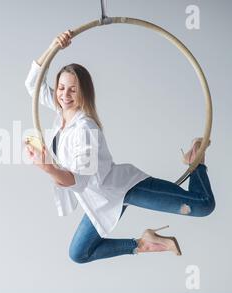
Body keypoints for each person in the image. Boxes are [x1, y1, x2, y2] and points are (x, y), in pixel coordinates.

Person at [24, 31, 216, 263]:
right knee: (79, 253)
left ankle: (197, 161)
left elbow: (80, 180)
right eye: (61, 87)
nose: (65, 94)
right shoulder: (61, 112)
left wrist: (47, 168)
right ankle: (144, 243)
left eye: (73, 89)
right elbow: (32, 84)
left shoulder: (85, 129)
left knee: (203, 205)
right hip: (100, 198)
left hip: (124, 188)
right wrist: (53, 46)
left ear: (83, 92)